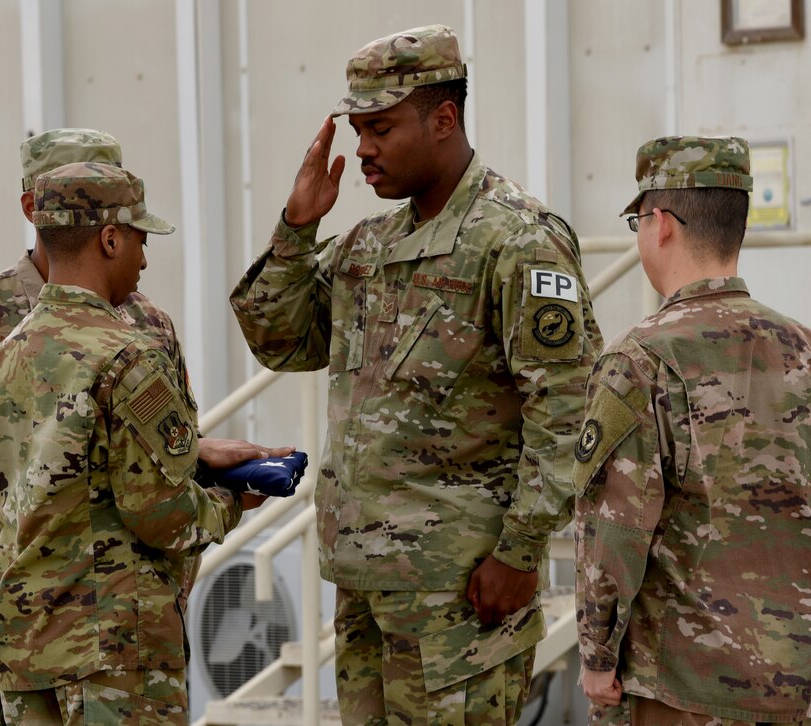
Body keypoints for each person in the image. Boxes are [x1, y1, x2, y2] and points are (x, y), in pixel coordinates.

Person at [231, 24, 601, 724]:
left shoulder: (516, 239)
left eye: (379, 128)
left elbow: (571, 407)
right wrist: (296, 229)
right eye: (357, 129)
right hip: (365, 585)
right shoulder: (371, 246)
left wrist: (521, 552)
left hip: (459, 595)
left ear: (443, 119)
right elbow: (280, 340)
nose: (363, 149)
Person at [0, 129, 281, 725]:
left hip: (118, 623)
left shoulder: (147, 324)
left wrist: (199, 456)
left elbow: (146, 459)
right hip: (7, 629)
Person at [574, 136, 811, 725]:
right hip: (787, 694)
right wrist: (805, 647)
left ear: (659, 224)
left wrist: (597, 655)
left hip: (675, 695)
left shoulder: (640, 360)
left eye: (637, 220)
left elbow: (614, 535)